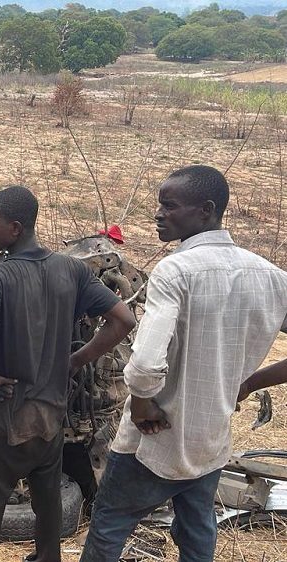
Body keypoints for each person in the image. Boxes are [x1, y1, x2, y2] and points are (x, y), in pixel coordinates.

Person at [80, 165, 287, 561]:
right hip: (210, 441)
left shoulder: (176, 271)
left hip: (156, 438)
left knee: (109, 526)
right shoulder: (271, 277)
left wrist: (141, 402)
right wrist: (250, 382)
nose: (158, 213)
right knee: (197, 532)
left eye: (169, 205)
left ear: (206, 210)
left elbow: (143, 365)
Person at [0, 185, 136, 562]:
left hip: (2, 420)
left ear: (15, 227)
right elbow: (123, 319)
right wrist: (77, 360)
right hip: (50, 416)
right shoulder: (72, 269)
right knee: (49, 506)